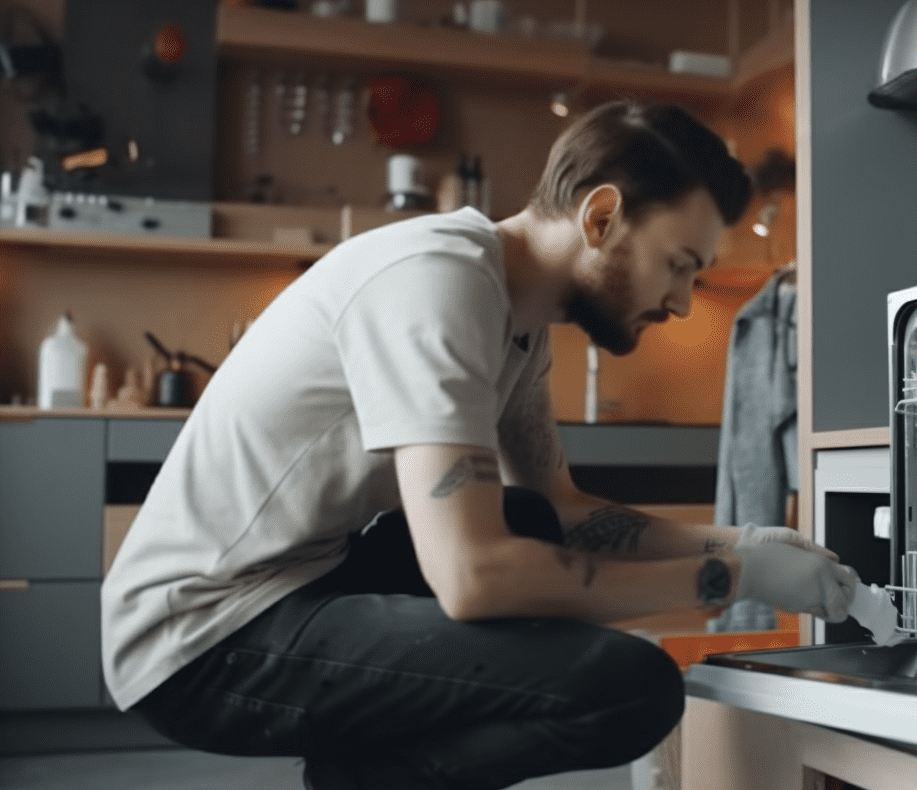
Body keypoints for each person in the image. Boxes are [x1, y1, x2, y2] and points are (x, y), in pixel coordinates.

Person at [100, 100, 859, 790]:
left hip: (298, 581)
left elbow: (563, 511)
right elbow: (472, 577)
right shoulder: (436, 283)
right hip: (199, 634)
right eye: (679, 265)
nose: (684, 303)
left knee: (524, 519)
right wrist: (730, 578)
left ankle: (362, 769)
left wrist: (749, 540)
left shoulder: (516, 321)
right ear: (601, 219)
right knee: (631, 686)